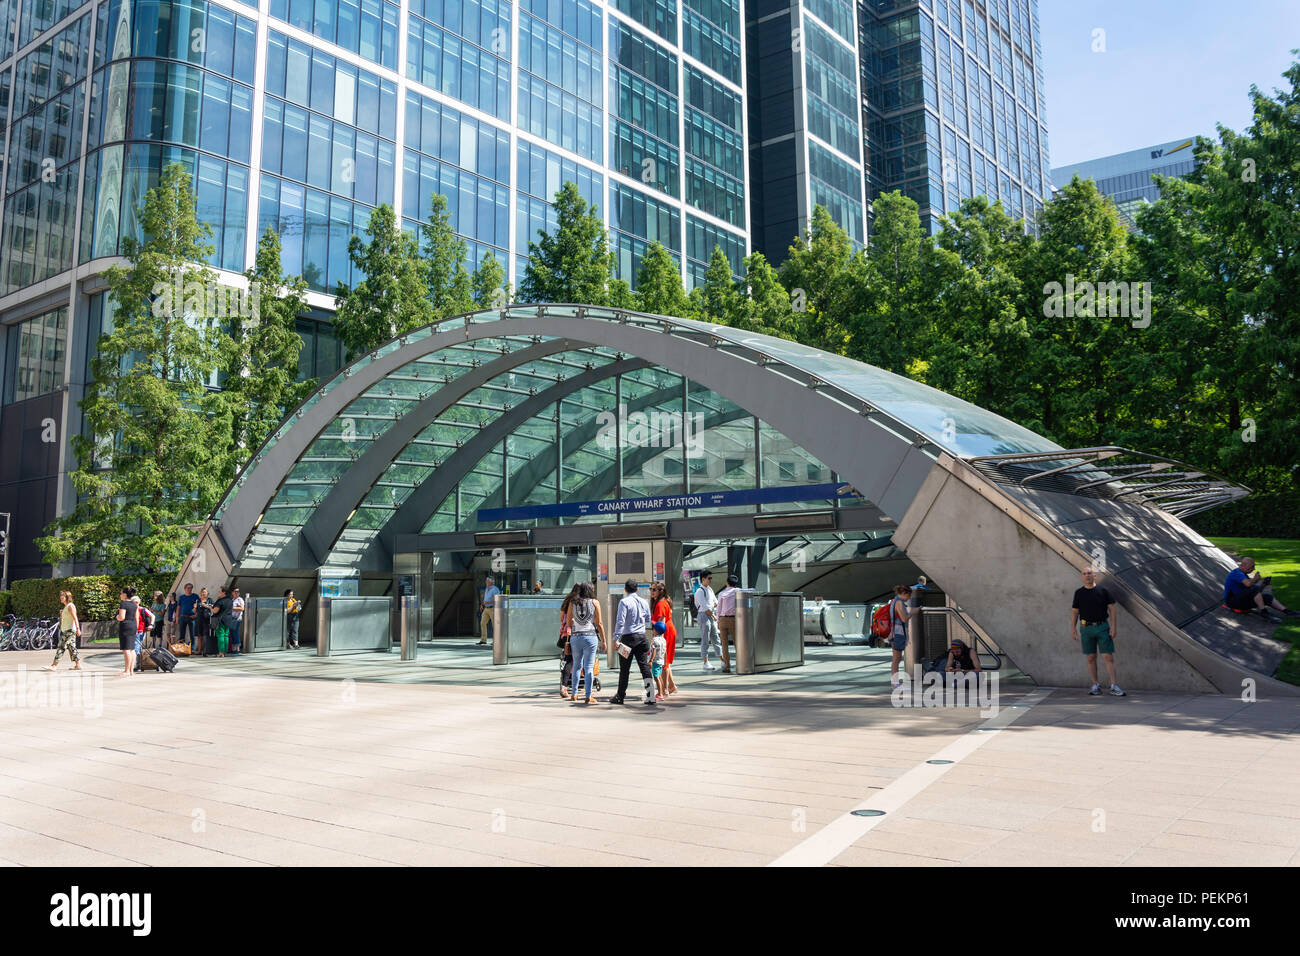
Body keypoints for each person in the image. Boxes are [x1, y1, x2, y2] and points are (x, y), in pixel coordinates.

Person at [1070, 567, 1125, 697]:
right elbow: (1075, 612)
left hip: (1102, 627)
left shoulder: (1103, 591)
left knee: (1108, 656)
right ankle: (1095, 685)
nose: (1087, 576)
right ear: (1082, 577)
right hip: (1086, 628)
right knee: (1090, 657)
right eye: (1084, 574)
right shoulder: (1079, 593)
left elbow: (1112, 609)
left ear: (1094, 576)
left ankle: (1114, 685)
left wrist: (1113, 627)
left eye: (1089, 573)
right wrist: (1073, 628)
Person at [609, 579, 655, 705]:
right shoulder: (644, 602)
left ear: (625, 589)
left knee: (624, 669)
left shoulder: (624, 602)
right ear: (637, 589)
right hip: (641, 638)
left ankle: (620, 696)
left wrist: (615, 639)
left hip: (627, 639)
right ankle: (651, 696)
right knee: (644, 667)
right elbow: (648, 618)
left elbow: (620, 621)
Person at [566, 582, 606, 704]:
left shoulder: (572, 603)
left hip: (576, 637)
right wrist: (604, 640)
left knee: (577, 666)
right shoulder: (595, 602)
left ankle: (574, 694)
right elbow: (599, 623)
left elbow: (568, 622)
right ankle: (588, 696)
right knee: (589, 667)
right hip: (590, 637)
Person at [1223, 557, 1297, 619]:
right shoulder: (1236, 573)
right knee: (1253, 588)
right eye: (1252, 566)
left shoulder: (1244, 575)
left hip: (1241, 601)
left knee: (1266, 597)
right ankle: (1263, 612)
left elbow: (1256, 594)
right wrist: (1255, 579)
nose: (1254, 568)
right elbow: (1249, 585)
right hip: (1232, 602)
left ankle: (1287, 612)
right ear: (1243, 565)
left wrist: (1264, 584)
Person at [649, 582, 678, 696]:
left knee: (663, 662)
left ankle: (665, 689)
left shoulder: (660, 604)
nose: (651, 591)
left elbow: (661, 622)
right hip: (668, 631)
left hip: (665, 632)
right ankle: (671, 686)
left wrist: (658, 637)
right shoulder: (663, 601)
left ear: (660, 591)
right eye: (651, 589)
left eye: (654, 589)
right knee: (666, 662)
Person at [43, 591, 82, 671]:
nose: (61, 598)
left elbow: (75, 618)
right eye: (61, 596)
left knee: (61, 647)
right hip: (66, 630)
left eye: (63, 596)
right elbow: (64, 620)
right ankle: (78, 665)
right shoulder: (66, 607)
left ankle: (54, 665)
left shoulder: (70, 606)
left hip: (70, 630)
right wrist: (61, 614)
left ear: (67, 597)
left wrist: (78, 629)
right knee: (72, 648)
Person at [694, 571, 721, 671]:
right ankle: (705, 662)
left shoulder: (709, 589)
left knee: (716, 638)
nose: (710, 580)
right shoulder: (700, 591)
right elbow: (705, 608)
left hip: (710, 615)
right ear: (703, 579)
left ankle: (722, 659)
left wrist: (711, 610)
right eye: (709, 578)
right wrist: (714, 615)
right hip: (704, 616)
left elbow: (716, 602)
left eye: (711, 578)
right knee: (705, 639)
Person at [715, 573, 740, 673]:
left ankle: (727, 666)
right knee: (737, 643)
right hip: (733, 620)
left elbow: (718, 608)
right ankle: (740, 664)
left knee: (724, 644)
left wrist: (718, 620)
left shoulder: (721, 593)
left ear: (727, 583)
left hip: (722, 619)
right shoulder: (738, 591)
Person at [888, 585, 912, 689]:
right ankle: (894, 683)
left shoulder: (895, 601)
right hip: (898, 634)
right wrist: (912, 612)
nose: (909, 598)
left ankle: (895, 682)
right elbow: (904, 618)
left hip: (896, 633)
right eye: (909, 596)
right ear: (904, 593)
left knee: (896, 659)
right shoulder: (898, 602)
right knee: (896, 659)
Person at [115, 587, 139, 677]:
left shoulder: (124, 604)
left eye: (121, 593)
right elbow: (137, 617)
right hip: (133, 626)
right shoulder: (134, 604)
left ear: (125, 595)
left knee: (126, 650)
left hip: (125, 626)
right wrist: (136, 628)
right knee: (132, 649)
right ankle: (131, 670)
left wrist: (117, 616)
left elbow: (121, 617)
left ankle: (126, 671)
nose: (120, 595)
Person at [211, 587, 235, 658]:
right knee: (226, 635)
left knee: (220, 635)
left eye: (219, 591)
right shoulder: (230, 600)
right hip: (228, 619)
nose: (218, 593)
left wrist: (209, 607)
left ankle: (221, 653)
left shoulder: (220, 601)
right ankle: (225, 652)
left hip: (220, 620)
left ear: (224, 592)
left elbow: (215, 611)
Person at [478, 574, 500, 645]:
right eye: (486, 580)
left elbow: (497, 599)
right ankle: (483, 640)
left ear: (492, 582)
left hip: (493, 609)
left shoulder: (495, 589)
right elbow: (485, 598)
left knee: (495, 625)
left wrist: (488, 602)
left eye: (487, 580)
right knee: (482, 623)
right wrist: (482, 604)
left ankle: (496, 641)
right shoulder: (487, 588)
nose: (486, 582)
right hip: (486, 608)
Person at [176, 583, 199, 647]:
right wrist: (177, 617)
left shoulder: (195, 596)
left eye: (191, 588)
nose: (189, 589)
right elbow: (178, 607)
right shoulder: (181, 597)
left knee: (192, 634)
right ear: (185, 589)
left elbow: (198, 607)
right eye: (188, 588)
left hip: (191, 617)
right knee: (182, 634)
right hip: (182, 617)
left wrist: (196, 614)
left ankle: (192, 649)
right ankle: (181, 649)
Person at [650, 622, 668, 701]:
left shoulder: (655, 640)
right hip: (661, 661)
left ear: (656, 631)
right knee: (659, 676)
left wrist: (651, 660)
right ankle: (662, 692)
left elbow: (654, 650)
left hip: (656, 662)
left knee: (656, 678)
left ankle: (660, 694)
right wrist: (666, 661)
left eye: (653, 629)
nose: (652, 630)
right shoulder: (663, 640)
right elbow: (665, 652)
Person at [196, 587, 214, 656]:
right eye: (202, 592)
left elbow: (213, 607)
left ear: (207, 593)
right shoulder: (198, 600)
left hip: (207, 620)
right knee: (199, 635)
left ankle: (206, 650)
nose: (203, 593)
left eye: (205, 592)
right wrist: (194, 608)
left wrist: (205, 605)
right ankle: (199, 650)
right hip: (199, 619)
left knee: (206, 635)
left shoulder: (210, 600)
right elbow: (195, 610)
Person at [230, 587, 245, 655]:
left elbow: (242, 608)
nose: (236, 592)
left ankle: (238, 649)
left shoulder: (239, 599)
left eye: (238, 591)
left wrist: (232, 608)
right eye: (235, 591)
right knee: (232, 633)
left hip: (237, 619)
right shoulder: (232, 599)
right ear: (232, 592)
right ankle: (233, 649)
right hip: (231, 619)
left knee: (235, 633)